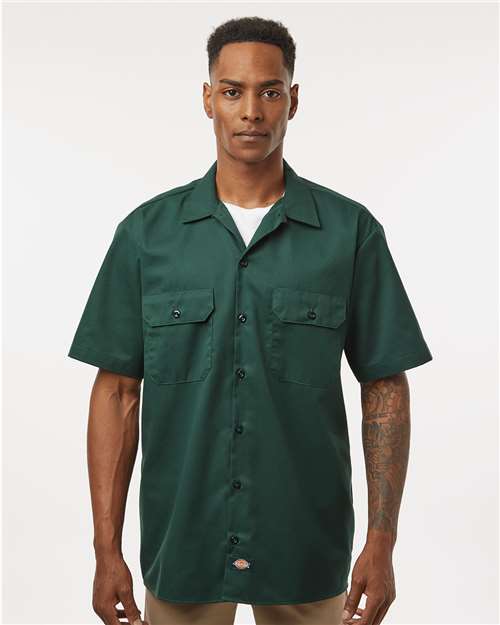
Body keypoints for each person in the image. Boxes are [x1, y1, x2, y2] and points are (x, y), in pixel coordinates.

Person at [68, 16, 433, 625]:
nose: (251, 111)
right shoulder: (146, 236)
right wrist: (106, 550)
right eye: (232, 91)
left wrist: (383, 540)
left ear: (294, 100)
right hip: (183, 546)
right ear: (207, 98)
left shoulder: (351, 233)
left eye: (270, 91)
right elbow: (116, 393)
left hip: (306, 546)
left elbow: (385, 385)